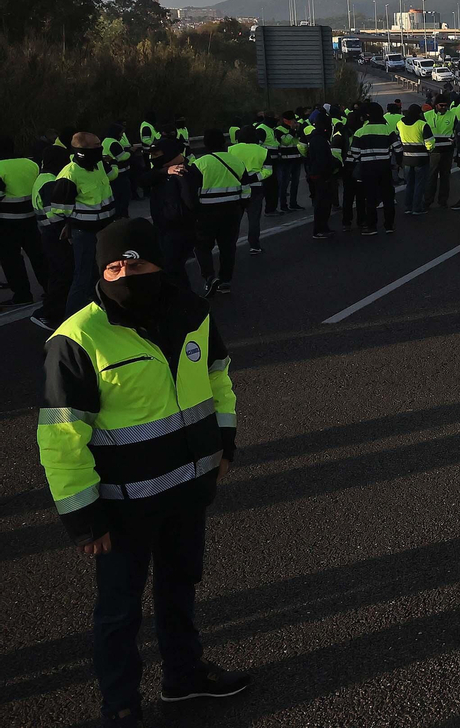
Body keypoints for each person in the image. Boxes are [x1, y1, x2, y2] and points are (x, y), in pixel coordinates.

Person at [37, 218, 250, 726]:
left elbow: (218, 378)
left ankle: (183, 677)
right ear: (100, 272)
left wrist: (224, 444)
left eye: (136, 264)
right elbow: (61, 435)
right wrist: (83, 515)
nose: (126, 275)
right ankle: (121, 705)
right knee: (119, 611)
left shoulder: (193, 314)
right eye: (113, 267)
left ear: (158, 263)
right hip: (121, 505)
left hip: (188, 488)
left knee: (180, 587)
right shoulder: (78, 338)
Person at [54, 132, 119, 316]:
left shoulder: (99, 164)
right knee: (83, 276)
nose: (100, 148)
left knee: (103, 272)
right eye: (96, 145)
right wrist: (70, 226)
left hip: (105, 229)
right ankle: (72, 318)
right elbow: (59, 209)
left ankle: (100, 311)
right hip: (85, 233)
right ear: (82, 150)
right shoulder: (69, 175)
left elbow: (111, 177)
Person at [190, 130, 248, 297]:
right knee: (228, 247)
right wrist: (241, 207)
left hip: (206, 213)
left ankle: (209, 277)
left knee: (202, 246)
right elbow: (246, 189)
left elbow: (192, 192)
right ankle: (225, 281)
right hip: (232, 211)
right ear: (223, 142)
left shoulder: (200, 164)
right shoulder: (237, 162)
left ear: (205, 144)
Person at [140, 138, 200, 290]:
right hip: (164, 228)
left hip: (179, 229)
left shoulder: (184, 173)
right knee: (171, 268)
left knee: (172, 268)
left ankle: (185, 298)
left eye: (156, 154)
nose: (153, 158)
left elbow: (191, 204)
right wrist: (164, 171)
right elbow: (143, 180)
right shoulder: (162, 172)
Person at [0, 136, 46, 310]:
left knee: (11, 260)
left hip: (6, 222)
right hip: (31, 218)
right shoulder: (31, 164)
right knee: (38, 255)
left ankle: (22, 295)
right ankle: (50, 288)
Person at [31, 146, 73, 330]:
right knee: (62, 274)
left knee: (58, 273)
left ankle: (53, 310)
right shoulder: (49, 182)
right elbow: (55, 215)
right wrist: (68, 229)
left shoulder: (43, 178)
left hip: (48, 233)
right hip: (55, 235)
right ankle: (47, 313)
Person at [351, 105, 399, 235]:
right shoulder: (388, 130)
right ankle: (389, 225)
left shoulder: (360, 132)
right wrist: (396, 162)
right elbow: (398, 148)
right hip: (384, 167)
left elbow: (355, 153)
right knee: (388, 197)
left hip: (368, 168)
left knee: (370, 197)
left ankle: (372, 226)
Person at [226, 127, 272, 256]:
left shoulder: (231, 149)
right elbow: (268, 170)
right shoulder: (263, 151)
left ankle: (230, 245)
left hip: (237, 188)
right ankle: (254, 245)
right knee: (254, 218)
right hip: (255, 188)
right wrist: (255, 177)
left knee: (234, 220)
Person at [304, 115, 339, 240]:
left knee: (324, 203)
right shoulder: (319, 140)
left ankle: (323, 227)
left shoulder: (317, 138)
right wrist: (333, 165)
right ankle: (319, 229)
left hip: (319, 173)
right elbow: (322, 159)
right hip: (321, 175)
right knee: (322, 203)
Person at [396, 104, 436, 216]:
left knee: (409, 183)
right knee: (420, 184)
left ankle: (408, 206)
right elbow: (430, 143)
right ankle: (417, 207)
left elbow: (398, 139)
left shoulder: (400, 124)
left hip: (407, 158)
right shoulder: (422, 124)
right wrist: (429, 149)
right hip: (421, 159)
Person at [424, 98, 459, 208]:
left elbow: (456, 131)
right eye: (441, 105)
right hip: (433, 151)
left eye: (445, 105)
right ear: (436, 105)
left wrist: (454, 141)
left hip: (447, 151)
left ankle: (443, 201)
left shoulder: (452, 116)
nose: (444, 107)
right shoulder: (427, 115)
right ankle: (428, 200)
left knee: (445, 177)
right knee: (431, 177)